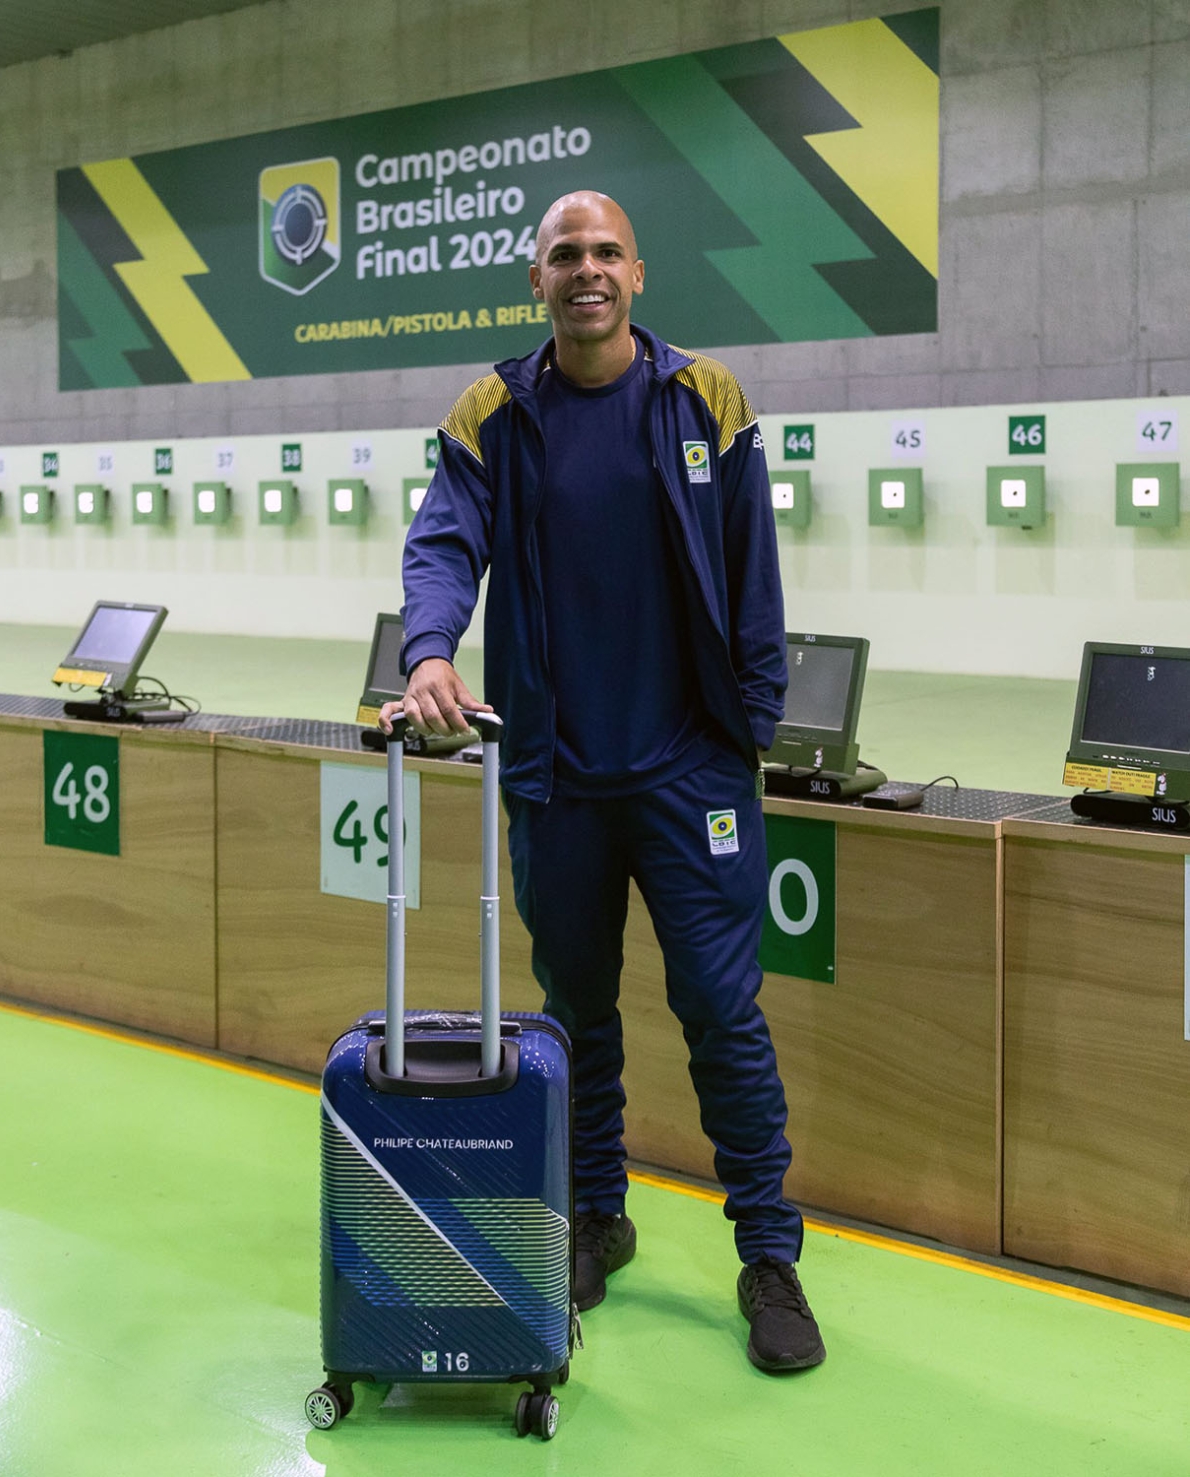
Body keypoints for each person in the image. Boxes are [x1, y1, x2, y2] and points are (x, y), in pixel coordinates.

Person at [380, 190, 824, 1372]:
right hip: (556, 774)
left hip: (692, 771)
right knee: (575, 1016)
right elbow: (442, 540)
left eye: (606, 252)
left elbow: (753, 571)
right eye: (564, 255)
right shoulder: (493, 413)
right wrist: (430, 647)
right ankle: (595, 1212)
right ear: (537, 282)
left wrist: (751, 729)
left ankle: (768, 1253)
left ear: (638, 273)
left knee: (722, 1014)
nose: (587, 270)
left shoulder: (703, 400)